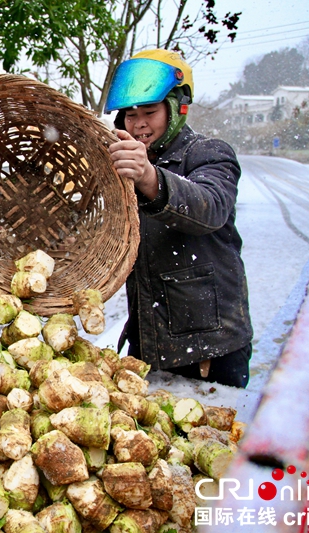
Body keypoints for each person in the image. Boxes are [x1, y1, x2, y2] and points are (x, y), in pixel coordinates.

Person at [105, 49, 253, 388]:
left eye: (150, 111)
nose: (139, 123)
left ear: (177, 107)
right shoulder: (121, 169)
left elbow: (209, 206)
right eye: (129, 114)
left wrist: (149, 178)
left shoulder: (209, 153)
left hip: (209, 351)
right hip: (149, 345)